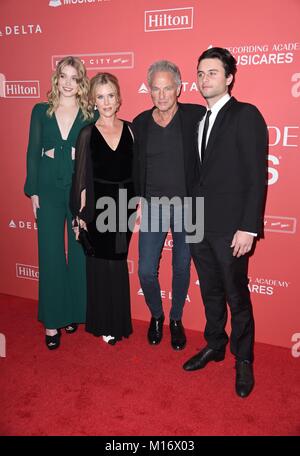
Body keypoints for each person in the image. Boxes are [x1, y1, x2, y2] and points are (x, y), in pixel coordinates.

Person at [183, 47, 268, 398]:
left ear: (229, 77)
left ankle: (243, 359)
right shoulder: (199, 121)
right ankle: (215, 344)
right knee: (210, 291)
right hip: (199, 225)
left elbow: (255, 177)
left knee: (237, 295)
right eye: (201, 73)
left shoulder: (246, 115)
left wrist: (248, 227)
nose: (205, 79)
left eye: (213, 72)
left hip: (232, 229)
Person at [132, 61, 205, 350]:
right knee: (146, 270)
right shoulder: (139, 123)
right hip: (153, 207)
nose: (161, 95)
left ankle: (176, 319)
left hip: (190, 206)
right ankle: (156, 315)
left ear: (179, 89)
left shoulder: (196, 116)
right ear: (149, 90)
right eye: (156, 89)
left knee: (182, 266)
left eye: (167, 88)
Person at [24, 56, 95, 350]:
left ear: (81, 82)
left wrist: (88, 194)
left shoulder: (88, 114)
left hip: (77, 190)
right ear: (57, 78)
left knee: (78, 253)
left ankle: (73, 312)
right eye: (63, 76)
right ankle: (53, 321)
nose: (68, 83)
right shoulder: (41, 110)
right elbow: (32, 151)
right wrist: (33, 190)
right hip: (48, 190)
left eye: (74, 78)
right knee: (51, 255)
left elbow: (91, 159)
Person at [70, 73, 135, 345]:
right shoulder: (87, 132)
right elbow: (81, 176)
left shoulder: (131, 129)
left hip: (126, 204)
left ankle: (118, 322)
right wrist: (79, 215)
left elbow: (138, 169)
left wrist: (139, 202)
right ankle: (103, 322)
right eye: (100, 96)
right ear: (93, 100)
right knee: (100, 263)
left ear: (118, 98)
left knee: (117, 262)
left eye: (110, 95)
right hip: (99, 205)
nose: (106, 102)